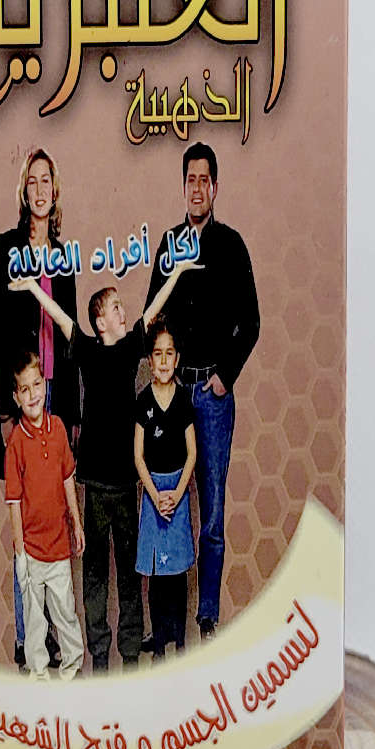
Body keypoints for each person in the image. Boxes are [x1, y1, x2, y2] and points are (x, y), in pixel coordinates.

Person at [10, 257, 195, 672]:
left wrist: (178, 273)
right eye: (115, 308)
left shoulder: (131, 349)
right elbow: (61, 318)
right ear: (99, 321)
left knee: (129, 574)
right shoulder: (87, 351)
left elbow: (153, 308)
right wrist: (33, 288)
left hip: (127, 484)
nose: (123, 312)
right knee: (94, 574)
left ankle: (129, 653)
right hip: (94, 485)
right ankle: (98, 654)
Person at [144, 142, 259, 638]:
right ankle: (167, 624)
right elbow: (151, 316)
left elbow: (251, 321)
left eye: (204, 180)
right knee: (166, 503)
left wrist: (224, 376)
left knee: (211, 511)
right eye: (189, 179)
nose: (196, 188)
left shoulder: (231, 245)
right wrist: (161, 376)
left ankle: (207, 614)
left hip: (211, 398)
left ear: (215, 187)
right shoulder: (169, 244)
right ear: (183, 186)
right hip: (171, 396)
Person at [0, 149, 79, 665]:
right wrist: (5, 411)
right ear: (24, 191)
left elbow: (71, 337)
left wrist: (75, 414)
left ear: (55, 190)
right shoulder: (8, 247)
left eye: (47, 181)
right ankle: (28, 643)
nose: (40, 190)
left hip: (56, 401)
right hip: (21, 399)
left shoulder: (64, 255)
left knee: (53, 517)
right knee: (23, 520)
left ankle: (54, 639)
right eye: (33, 182)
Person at [3, 351, 84, 681]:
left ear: (45, 385)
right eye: (25, 389)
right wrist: (20, 554)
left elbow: (67, 478)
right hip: (32, 551)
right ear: (16, 397)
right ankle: (38, 677)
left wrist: (76, 523)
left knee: (66, 613)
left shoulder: (59, 428)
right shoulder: (16, 444)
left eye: (37, 385)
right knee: (35, 621)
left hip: (59, 546)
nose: (33, 394)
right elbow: (13, 502)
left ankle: (71, 671)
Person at [134, 321, 197, 656]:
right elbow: (138, 456)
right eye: (157, 354)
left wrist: (178, 492)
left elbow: (192, 453)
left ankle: (181, 643)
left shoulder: (184, 398)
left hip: (178, 492)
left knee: (177, 573)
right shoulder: (143, 401)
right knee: (158, 574)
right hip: (154, 495)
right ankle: (159, 645)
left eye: (169, 354)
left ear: (177, 359)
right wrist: (156, 496)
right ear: (150, 359)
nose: (163, 361)